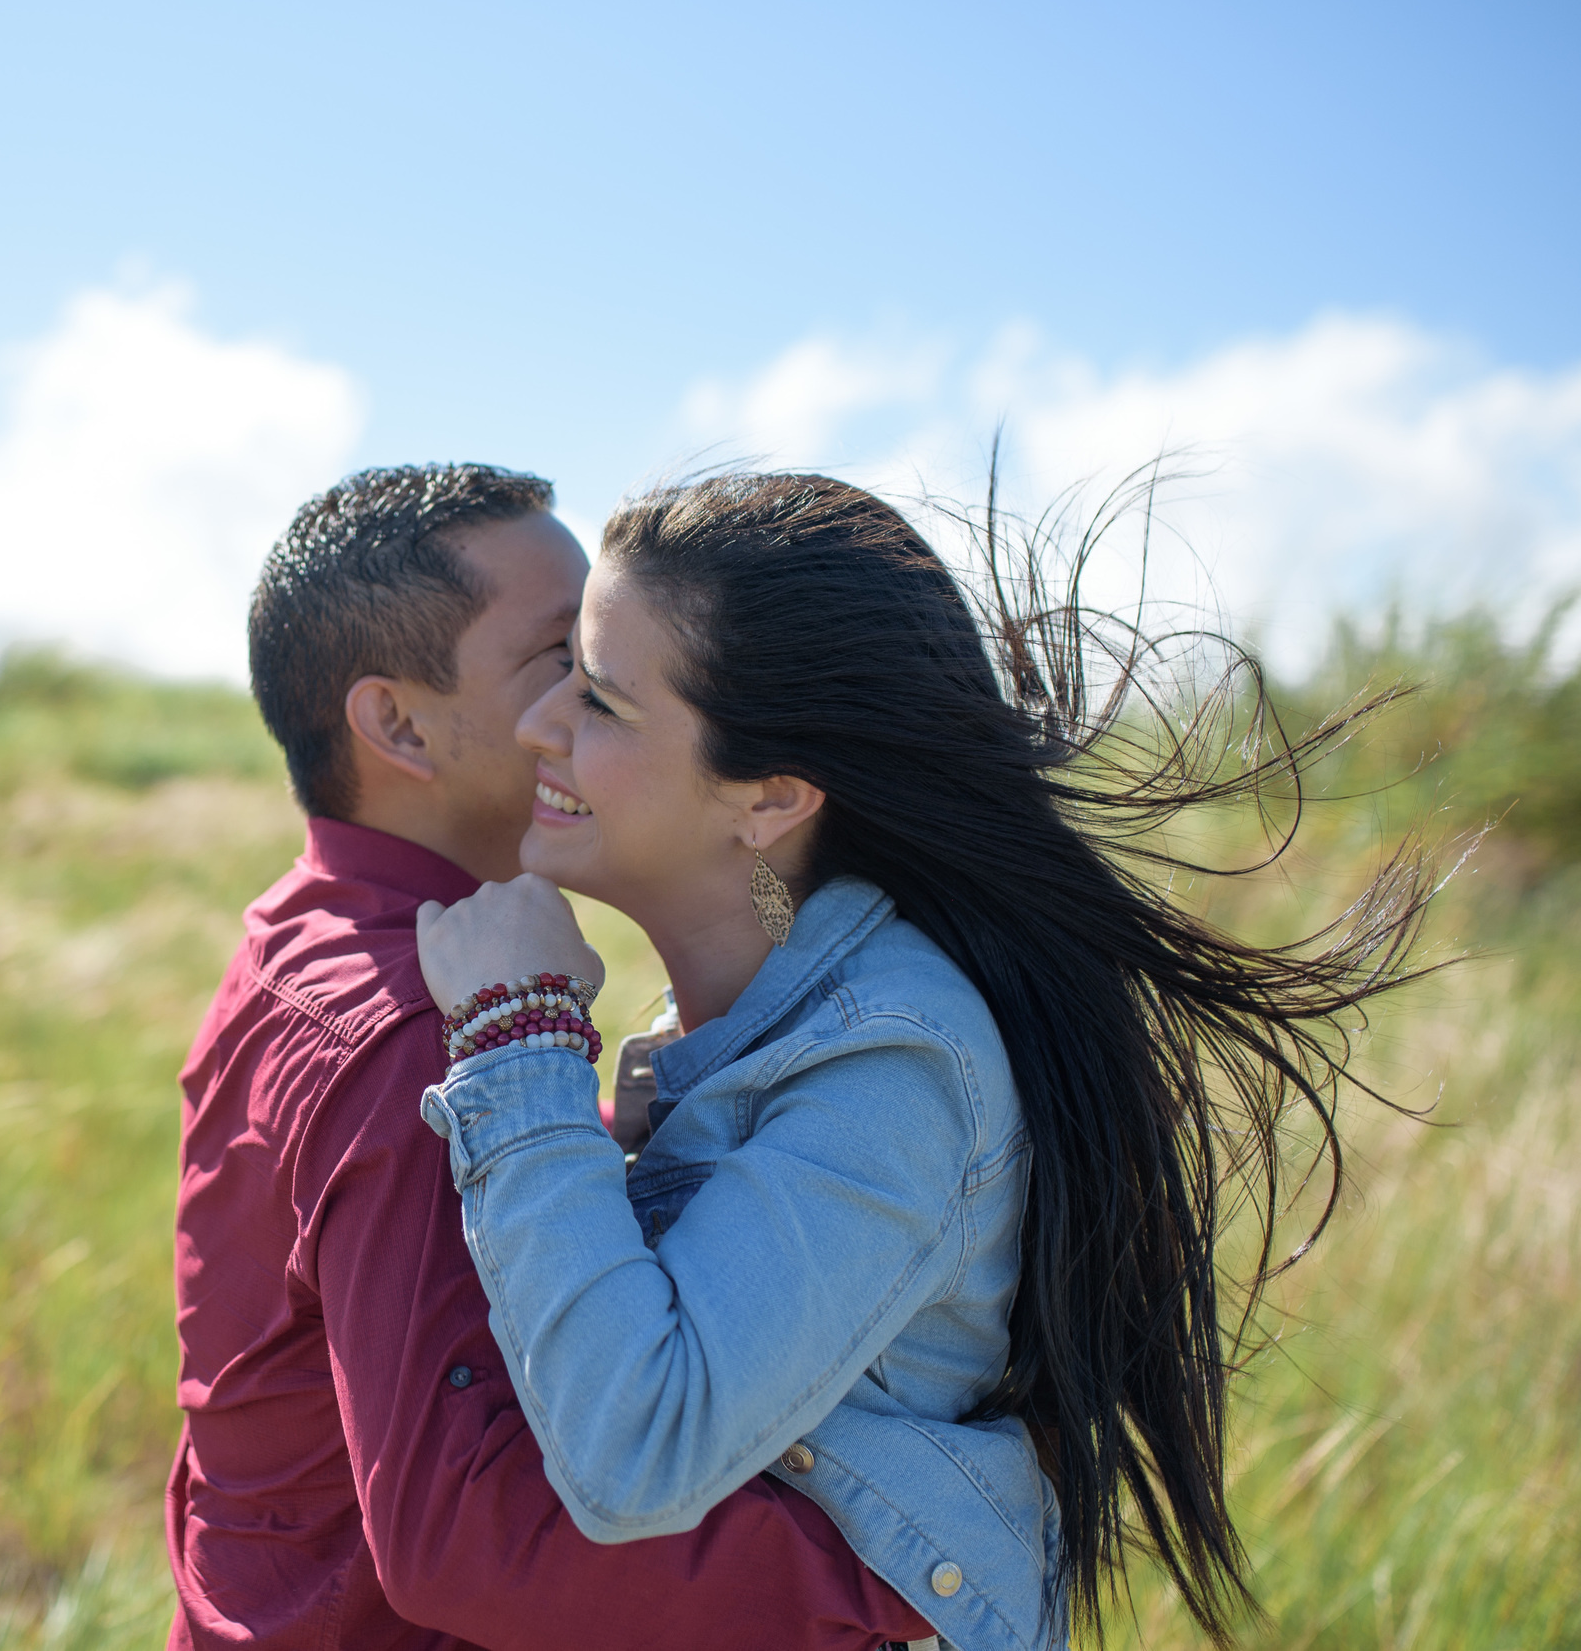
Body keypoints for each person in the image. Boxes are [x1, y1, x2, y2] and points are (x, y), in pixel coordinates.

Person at [413, 472, 1440, 1650]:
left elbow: (634, 1448)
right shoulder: (755, 1015)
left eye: (598, 698)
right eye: (561, 672)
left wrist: (517, 1034)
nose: (539, 723)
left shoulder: (893, 1064)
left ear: (771, 797)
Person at [169, 464, 939, 1650]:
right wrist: (896, 1584)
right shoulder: (424, 1031)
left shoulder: (294, 937)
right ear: (397, 725)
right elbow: (475, 1528)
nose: (577, 701)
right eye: (556, 656)